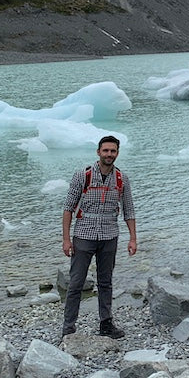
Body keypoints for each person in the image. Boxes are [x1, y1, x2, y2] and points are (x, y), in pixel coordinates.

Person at [61, 135, 137, 339]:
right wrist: (66, 239)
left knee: (106, 282)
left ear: (117, 153)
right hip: (84, 234)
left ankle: (106, 324)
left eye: (113, 151)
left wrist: (133, 238)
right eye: (106, 151)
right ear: (98, 152)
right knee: (76, 282)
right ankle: (68, 327)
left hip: (109, 235)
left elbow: (128, 210)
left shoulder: (122, 179)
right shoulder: (82, 175)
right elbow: (68, 208)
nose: (109, 154)